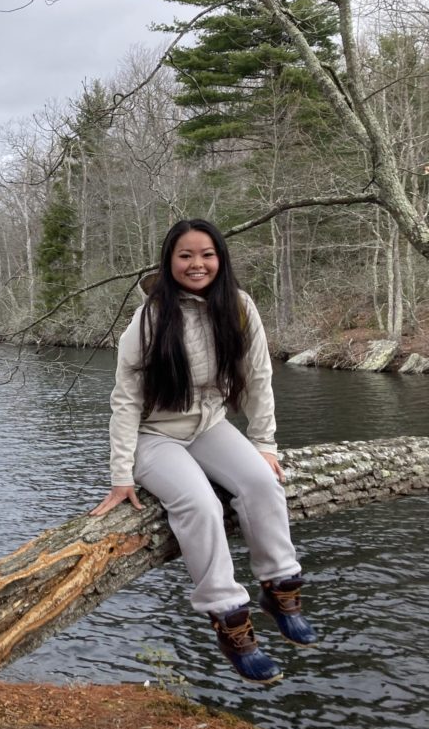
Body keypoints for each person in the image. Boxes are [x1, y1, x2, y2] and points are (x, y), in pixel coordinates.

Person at [90, 218, 317, 684]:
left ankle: (280, 586)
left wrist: (264, 444)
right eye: (186, 255)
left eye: (207, 254)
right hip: (154, 435)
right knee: (200, 505)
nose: (197, 264)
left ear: (220, 258)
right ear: (170, 262)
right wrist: (120, 475)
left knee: (261, 482)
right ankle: (230, 619)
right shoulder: (150, 317)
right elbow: (126, 399)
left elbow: (258, 379)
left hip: (209, 425)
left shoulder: (238, 307)